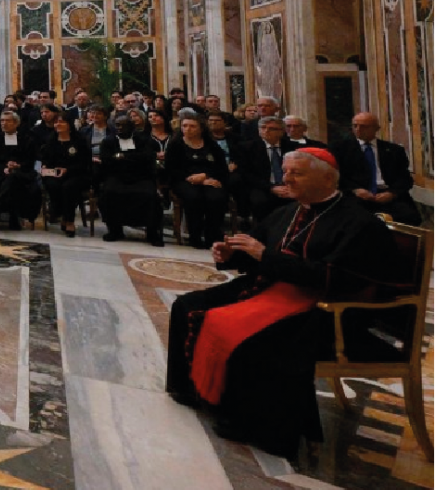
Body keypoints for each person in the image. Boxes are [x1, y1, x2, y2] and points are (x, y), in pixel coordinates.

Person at [166, 148, 399, 459]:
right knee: (187, 305)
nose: (286, 179)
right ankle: (192, 390)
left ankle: (248, 424)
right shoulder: (289, 210)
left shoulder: (358, 223)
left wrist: (264, 256)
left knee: (255, 341)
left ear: (327, 178)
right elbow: (256, 249)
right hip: (269, 288)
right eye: (286, 172)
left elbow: (336, 278)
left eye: (296, 173)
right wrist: (231, 254)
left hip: (321, 307)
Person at [331, 112, 421, 225]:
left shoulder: (394, 150)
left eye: (364, 126)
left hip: (387, 194)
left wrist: (392, 193)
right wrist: (355, 190)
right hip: (357, 195)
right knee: (358, 220)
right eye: (355, 126)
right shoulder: (340, 149)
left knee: (410, 217)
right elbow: (337, 176)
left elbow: (405, 178)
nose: (358, 129)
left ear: (376, 128)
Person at [166, 112, 231, 248]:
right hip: (183, 180)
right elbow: (171, 168)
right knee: (194, 197)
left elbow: (221, 167)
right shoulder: (175, 144)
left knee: (216, 197)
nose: (188, 129)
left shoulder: (211, 145)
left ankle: (212, 235)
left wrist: (205, 176)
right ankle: (195, 236)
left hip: (209, 179)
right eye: (185, 126)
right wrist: (195, 178)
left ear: (201, 129)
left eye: (192, 126)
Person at [98, 115, 163, 245]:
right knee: (109, 193)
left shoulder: (144, 140)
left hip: (141, 176)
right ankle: (115, 230)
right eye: (117, 125)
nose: (120, 128)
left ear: (132, 127)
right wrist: (130, 157)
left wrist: (123, 157)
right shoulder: (108, 141)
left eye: (123, 125)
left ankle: (152, 232)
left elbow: (147, 157)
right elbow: (107, 160)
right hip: (116, 176)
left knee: (149, 195)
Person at [0, 110, 40, 231]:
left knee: (13, 178)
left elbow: (30, 160)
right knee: (11, 181)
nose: (4, 123)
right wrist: (4, 168)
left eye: (8, 121)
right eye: (2, 121)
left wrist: (17, 165)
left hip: (22, 172)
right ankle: (13, 218)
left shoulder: (27, 139)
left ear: (16, 123)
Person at [234, 115, 295, 224]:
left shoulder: (292, 147)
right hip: (262, 186)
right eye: (263, 128)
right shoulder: (247, 147)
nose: (266, 131)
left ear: (281, 132)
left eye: (272, 129)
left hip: (289, 185)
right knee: (260, 201)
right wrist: (271, 187)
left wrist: (288, 185)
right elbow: (246, 174)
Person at [40, 112, 92, 237]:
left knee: (68, 187)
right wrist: (46, 167)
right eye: (56, 122)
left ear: (69, 125)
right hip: (55, 174)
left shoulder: (79, 140)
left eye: (61, 122)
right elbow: (46, 159)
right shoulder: (51, 139)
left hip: (76, 173)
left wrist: (67, 169)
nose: (58, 124)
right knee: (53, 185)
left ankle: (69, 221)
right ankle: (60, 214)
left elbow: (84, 162)